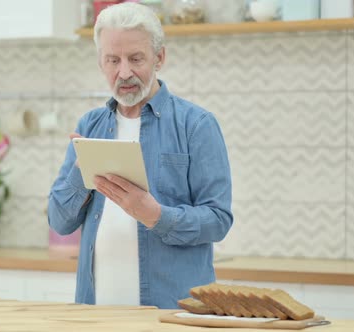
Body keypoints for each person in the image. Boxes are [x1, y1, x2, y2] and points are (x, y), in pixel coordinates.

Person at [47, 2, 233, 309]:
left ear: (159, 57)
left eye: (136, 58)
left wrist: (156, 216)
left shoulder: (197, 125)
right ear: (100, 62)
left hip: (171, 315)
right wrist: (80, 174)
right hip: (95, 314)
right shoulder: (89, 126)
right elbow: (59, 222)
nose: (124, 72)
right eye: (112, 60)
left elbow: (218, 220)